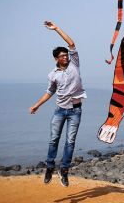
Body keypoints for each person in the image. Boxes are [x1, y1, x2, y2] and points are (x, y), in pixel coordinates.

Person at [29, 21, 87, 187]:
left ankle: (64, 170)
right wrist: (36, 105)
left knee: (70, 142)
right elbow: (50, 92)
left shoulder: (74, 63)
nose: (65, 57)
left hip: (76, 111)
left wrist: (56, 29)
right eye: (62, 56)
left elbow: (71, 43)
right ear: (56, 59)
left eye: (66, 55)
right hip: (60, 110)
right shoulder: (52, 75)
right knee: (54, 140)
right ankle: (49, 166)